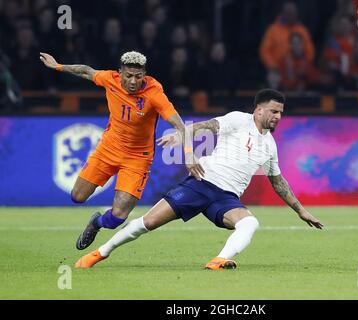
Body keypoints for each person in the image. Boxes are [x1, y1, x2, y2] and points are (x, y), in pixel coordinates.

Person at [74, 89, 323, 270]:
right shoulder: (239, 120)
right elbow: (208, 126)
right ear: (259, 111)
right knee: (146, 223)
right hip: (201, 184)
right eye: (274, 111)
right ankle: (100, 253)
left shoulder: (270, 145)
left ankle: (219, 261)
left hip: (226, 200)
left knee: (250, 223)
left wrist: (301, 211)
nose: (278, 116)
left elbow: (278, 182)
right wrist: (181, 134)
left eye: (281, 113)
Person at [40, 50, 203, 250]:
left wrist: (189, 153)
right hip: (108, 149)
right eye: (128, 76)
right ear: (120, 73)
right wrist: (57, 66)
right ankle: (94, 216)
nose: (133, 81)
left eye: (138, 76)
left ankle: (96, 223)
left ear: (144, 75)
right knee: (77, 196)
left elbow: (179, 125)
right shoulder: (110, 79)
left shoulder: (154, 93)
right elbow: (85, 71)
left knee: (118, 216)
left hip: (138, 158)